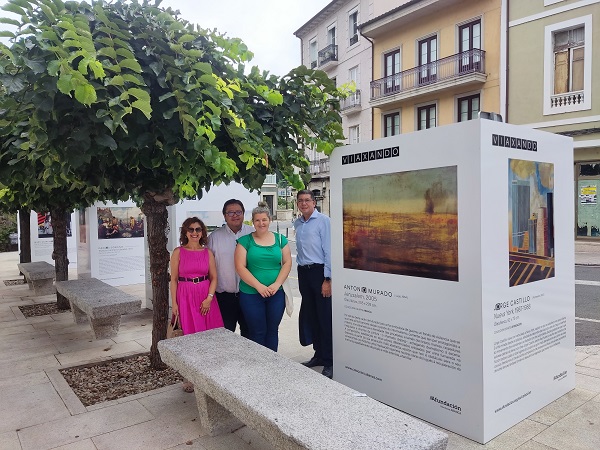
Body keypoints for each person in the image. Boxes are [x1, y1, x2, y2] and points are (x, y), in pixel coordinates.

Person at [170, 217, 223, 392]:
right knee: (189, 337)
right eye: (191, 229)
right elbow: (174, 280)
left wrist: (209, 298)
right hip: (185, 296)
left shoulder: (207, 253)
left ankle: (210, 373)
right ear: (185, 232)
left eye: (198, 230)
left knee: (209, 337)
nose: (194, 233)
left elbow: (214, 277)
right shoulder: (178, 252)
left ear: (202, 232)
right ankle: (190, 376)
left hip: (205, 297)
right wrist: (175, 304)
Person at [234, 202, 292, 351]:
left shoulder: (280, 240)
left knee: (273, 331)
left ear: (269, 220)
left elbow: (287, 263)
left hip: (275, 293)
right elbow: (240, 267)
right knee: (257, 332)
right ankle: (258, 367)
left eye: (264, 220)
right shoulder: (245, 241)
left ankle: (272, 366)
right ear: (253, 222)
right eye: (258, 220)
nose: (261, 223)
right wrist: (258, 286)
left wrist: (277, 284)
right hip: (251, 294)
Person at [295, 189, 333, 378]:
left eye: (307, 200)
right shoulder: (298, 223)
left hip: (320, 273)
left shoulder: (324, 221)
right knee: (312, 315)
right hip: (304, 272)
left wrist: (328, 279)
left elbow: (329, 251)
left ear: (314, 202)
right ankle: (318, 355)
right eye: (300, 200)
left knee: (325, 317)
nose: (304, 203)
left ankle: (330, 360)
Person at [207, 199, 254, 337]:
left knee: (250, 335)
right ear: (224, 215)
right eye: (230, 212)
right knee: (225, 336)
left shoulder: (253, 234)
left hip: (249, 295)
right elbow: (209, 268)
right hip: (224, 298)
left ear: (244, 214)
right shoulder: (214, 237)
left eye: (238, 212)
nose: (235, 215)